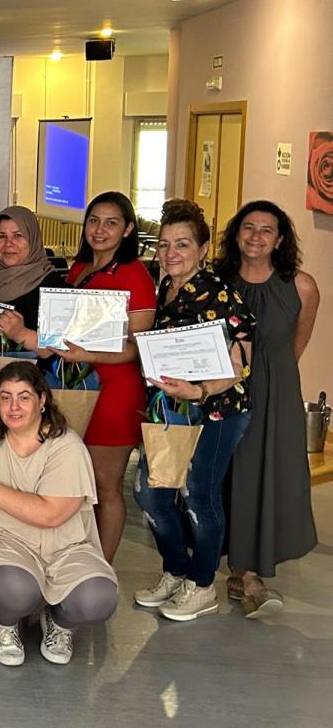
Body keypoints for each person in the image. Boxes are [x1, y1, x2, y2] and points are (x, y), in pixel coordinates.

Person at [132, 199, 255, 622]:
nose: (171, 253)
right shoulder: (160, 287)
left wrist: (199, 389)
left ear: (203, 248)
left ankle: (202, 585)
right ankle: (175, 570)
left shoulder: (220, 295)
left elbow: (242, 364)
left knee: (198, 495)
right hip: (168, 410)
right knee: (150, 494)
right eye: (165, 244)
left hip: (217, 411)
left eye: (183, 244)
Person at [0, 361, 118, 667]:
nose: (13, 407)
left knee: (98, 600)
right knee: (17, 593)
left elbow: (50, 515)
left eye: (24, 397)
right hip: (4, 541)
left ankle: (60, 621)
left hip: (64, 546)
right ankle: (4, 623)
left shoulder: (67, 446)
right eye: (5, 397)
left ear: (42, 400)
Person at [215, 200, 319, 616]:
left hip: (275, 392)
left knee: (265, 477)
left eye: (266, 230)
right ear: (236, 234)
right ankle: (236, 570)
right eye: (248, 228)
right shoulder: (216, 282)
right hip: (222, 391)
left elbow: (295, 344)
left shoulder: (302, 286)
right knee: (227, 477)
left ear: (279, 239)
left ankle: (249, 572)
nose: (256, 237)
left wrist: (266, 379)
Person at [56, 192, 156, 563]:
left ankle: (101, 569)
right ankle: (77, 562)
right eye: (94, 221)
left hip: (115, 392)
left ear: (128, 229)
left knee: (106, 486)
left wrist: (89, 355)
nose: (100, 230)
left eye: (111, 222)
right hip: (76, 387)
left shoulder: (135, 275)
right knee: (77, 485)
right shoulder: (78, 268)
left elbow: (137, 346)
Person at [0, 205, 68, 357]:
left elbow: (63, 348)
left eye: (18, 235)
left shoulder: (54, 286)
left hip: (34, 378)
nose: (9, 243)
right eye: (1, 236)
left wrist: (21, 334)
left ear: (32, 238)